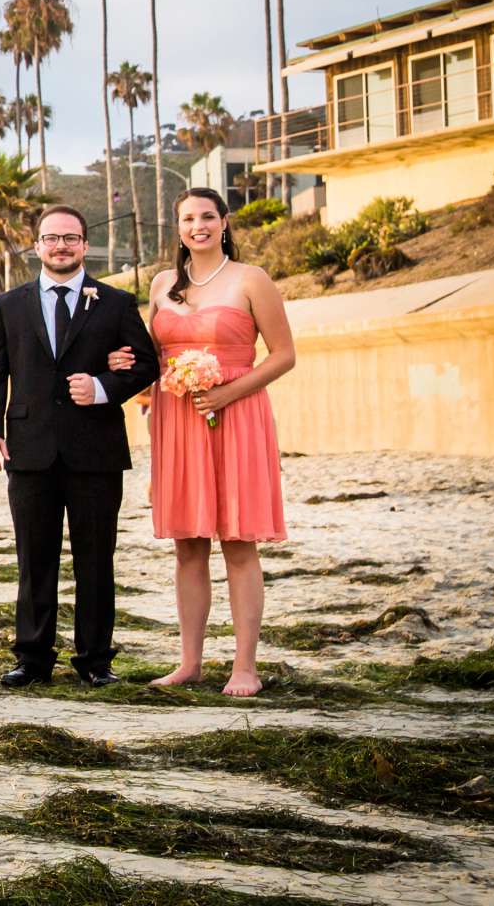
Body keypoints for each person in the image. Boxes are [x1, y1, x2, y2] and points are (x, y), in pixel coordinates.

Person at [120, 188, 296, 697]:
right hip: (176, 419)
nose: (198, 226)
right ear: (177, 228)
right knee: (187, 546)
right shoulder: (161, 285)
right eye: (187, 218)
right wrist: (122, 367)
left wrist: (227, 394)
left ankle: (245, 666)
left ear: (224, 223)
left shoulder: (251, 280)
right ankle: (190, 662)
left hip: (237, 414)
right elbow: (151, 359)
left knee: (239, 543)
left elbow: (283, 355)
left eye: (207, 217)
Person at [0, 206, 158, 688]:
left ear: (84, 246)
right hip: (29, 451)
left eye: (70, 239)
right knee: (34, 559)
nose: (61, 246)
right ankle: (32, 659)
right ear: (37, 246)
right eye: (52, 238)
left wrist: (101, 387)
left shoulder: (116, 303)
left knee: (96, 559)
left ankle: (96, 660)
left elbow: (146, 365)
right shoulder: (8, 305)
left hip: (95, 451)